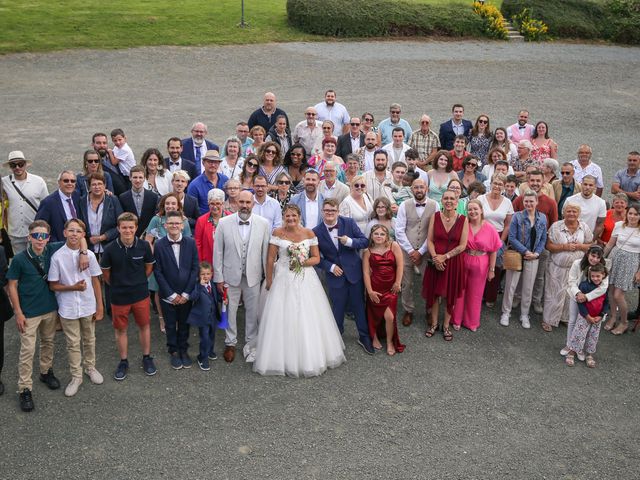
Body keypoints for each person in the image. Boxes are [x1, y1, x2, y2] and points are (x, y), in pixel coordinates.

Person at [254, 204, 346, 377]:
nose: (291, 219)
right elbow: (270, 258)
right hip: (282, 276)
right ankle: (279, 356)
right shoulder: (277, 233)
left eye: (294, 216)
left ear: (299, 216)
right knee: (281, 314)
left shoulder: (309, 233)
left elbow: (317, 258)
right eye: (287, 216)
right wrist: (269, 279)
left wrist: (301, 262)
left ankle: (309, 355)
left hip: (305, 276)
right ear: (283, 217)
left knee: (307, 313)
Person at [7, 221, 64, 411]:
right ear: (29, 237)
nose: (40, 240)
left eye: (44, 236)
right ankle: (24, 388)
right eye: (36, 236)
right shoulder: (19, 260)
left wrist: (82, 252)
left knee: (48, 342)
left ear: (49, 238)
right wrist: (18, 312)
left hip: (49, 308)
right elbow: (12, 286)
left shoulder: (52, 250)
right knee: (27, 350)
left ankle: (46, 371)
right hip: (29, 312)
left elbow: (78, 237)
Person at [48, 219, 104, 397]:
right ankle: (76, 376)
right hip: (68, 307)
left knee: (89, 338)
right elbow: (53, 285)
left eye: (78, 231)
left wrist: (100, 305)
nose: (74, 234)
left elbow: (95, 280)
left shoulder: (90, 255)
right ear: (64, 233)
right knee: (72, 343)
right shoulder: (57, 257)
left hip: (88, 304)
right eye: (70, 230)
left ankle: (90, 367)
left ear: (82, 235)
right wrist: (73, 287)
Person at [213, 191, 271, 363]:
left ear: (253, 203)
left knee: (253, 311)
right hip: (230, 276)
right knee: (230, 310)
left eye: (248, 202)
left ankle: (250, 343)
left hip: (253, 275)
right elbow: (218, 251)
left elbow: (266, 252)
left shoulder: (263, 223)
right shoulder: (223, 223)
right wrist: (219, 277)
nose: (245, 205)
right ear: (236, 202)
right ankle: (230, 342)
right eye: (242, 202)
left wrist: (267, 277)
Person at [313, 199, 375, 354]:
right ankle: (336, 337)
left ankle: (364, 336)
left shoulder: (349, 222)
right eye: (327, 211)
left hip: (354, 272)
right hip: (335, 275)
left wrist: (350, 242)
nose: (329, 213)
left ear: (338, 212)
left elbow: (365, 242)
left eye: (333, 211)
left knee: (359, 306)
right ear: (322, 212)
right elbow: (315, 256)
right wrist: (330, 267)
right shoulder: (316, 231)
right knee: (337, 308)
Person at [101, 212, 157, 380]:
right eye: (124, 227)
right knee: (121, 330)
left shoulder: (144, 246)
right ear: (118, 228)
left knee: (144, 326)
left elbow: (148, 268)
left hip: (140, 294)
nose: (127, 230)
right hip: (119, 296)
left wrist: (137, 281)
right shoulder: (110, 249)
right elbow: (106, 275)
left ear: (136, 228)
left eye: (131, 227)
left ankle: (146, 357)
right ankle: (123, 361)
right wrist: (120, 284)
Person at [153, 210, 199, 370]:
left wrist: (186, 293)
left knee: (185, 323)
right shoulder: (158, 245)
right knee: (170, 324)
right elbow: (157, 271)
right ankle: (173, 350)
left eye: (177, 223)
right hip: (168, 295)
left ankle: (183, 349)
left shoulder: (190, 243)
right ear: (165, 226)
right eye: (171, 223)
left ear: (182, 225)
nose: (174, 226)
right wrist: (171, 294)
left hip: (185, 294)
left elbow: (194, 268)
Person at [422, 190, 469, 341]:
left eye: (452, 199)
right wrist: (436, 258)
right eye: (446, 198)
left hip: (453, 262)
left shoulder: (463, 219)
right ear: (441, 201)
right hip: (435, 261)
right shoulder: (435, 217)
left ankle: (446, 325)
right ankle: (434, 324)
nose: (449, 201)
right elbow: (429, 240)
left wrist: (445, 256)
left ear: (457, 202)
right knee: (435, 294)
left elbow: (463, 245)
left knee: (450, 294)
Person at [542, 203, 593, 332]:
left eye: (574, 212)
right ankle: (548, 319)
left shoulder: (584, 227)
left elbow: (590, 245)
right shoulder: (556, 226)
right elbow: (548, 246)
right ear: (564, 212)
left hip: (576, 270)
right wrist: (564, 247)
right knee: (553, 293)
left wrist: (580, 246)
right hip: (557, 268)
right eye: (568, 211)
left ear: (578, 214)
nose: (571, 214)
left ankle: (564, 318)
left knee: (570, 294)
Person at [451, 200, 501, 332]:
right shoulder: (463, 225)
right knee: (460, 291)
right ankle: (456, 319)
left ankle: (471, 322)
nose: (472, 212)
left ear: (481, 210)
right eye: (470, 209)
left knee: (475, 294)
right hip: (463, 259)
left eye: (475, 209)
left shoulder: (490, 228)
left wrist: (492, 269)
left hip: (481, 262)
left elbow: (494, 250)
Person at [500, 191, 547, 329]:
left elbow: (543, 237)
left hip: (534, 257)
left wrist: (536, 253)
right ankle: (506, 312)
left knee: (528, 287)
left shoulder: (542, 218)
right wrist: (526, 251)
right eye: (526, 201)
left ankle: (525, 314)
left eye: (531, 201)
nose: (528, 204)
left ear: (536, 202)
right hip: (517, 254)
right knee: (511, 286)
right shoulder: (517, 217)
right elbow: (512, 238)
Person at [145, 193, 191, 331]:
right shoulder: (156, 220)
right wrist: (153, 257)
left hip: (177, 260)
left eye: (173, 203)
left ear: (178, 206)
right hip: (159, 261)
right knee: (160, 290)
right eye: (167, 203)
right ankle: (161, 318)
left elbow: (188, 240)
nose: (170, 206)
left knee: (176, 288)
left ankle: (176, 317)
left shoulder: (183, 221)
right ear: (163, 205)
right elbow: (148, 241)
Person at [395, 179, 438, 326]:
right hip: (407, 250)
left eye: (421, 187)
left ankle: (429, 310)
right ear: (411, 189)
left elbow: (434, 230)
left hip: (426, 250)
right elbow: (399, 230)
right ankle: (408, 310)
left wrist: (421, 251)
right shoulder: (404, 205)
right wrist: (411, 250)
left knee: (428, 283)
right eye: (416, 187)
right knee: (406, 283)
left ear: (426, 188)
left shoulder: (435, 205)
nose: (419, 190)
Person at [363, 225, 405, 355]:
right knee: (374, 314)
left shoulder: (394, 246)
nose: (379, 236)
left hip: (391, 287)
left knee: (390, 316)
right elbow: (365, 273)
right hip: (375, 287)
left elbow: (400, 265)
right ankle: (374, 336)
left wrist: (398, 282)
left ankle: (390, 342)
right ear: (371, 236)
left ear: (387, 236)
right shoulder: (368, 251)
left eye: (382, 234)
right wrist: (369, 291)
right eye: (376, 234)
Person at [562, 246, 608, 362]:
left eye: (598, 257)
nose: (595, 259)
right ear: (588, 254)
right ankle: (569, 345)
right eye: (593, 255)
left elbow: (603, 288)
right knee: (572, 320)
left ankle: (580, 349)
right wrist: (578, 294)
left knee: (585, 324)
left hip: (592, 299)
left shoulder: (602, 268)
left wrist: (586, 297)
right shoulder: (577, 263)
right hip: (576, 295)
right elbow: (571, 281)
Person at [2, 150, 49, 254]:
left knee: (35, 260)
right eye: (13, 165)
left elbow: (46, 205)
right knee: (19, 262)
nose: (17, 167)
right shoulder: (4, 182)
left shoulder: (38, 181)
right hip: (15, 232)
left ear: (25, 165)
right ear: (10, 167)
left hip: (35, 232)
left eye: (20, 164)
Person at [477, 173, 514, 306]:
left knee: (495, 268)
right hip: (481, 236)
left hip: (498, 237)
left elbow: (508, 224)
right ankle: (478, 294)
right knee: (480, 267)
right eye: (495, 183)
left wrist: (501, 242)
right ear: (490, 183)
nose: (497, 186)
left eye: (500, 184)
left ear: (504, 187)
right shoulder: (481, 199)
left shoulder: (508, 202)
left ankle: (490, 297)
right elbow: (475, 218)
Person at [603, 205, 640, 335]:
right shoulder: (619, 225)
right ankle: (613, 317)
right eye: (630, 213)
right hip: (615, 258)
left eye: (636, 214)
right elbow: (610, 244)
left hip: (631, 263)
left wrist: (639, 272)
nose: (633, 216)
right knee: (611, 292)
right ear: (627, 213)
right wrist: (601, 259)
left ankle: (624, 322)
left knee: (618, 295)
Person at [78, 172, 123, 256]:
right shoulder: (82, 202)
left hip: (109, 246)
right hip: (87, 247)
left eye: (100, 184)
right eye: (94, 184)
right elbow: (79, 224)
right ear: (89, 187)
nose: (97, 187)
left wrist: (103, 237)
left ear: (105, 185)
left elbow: (121, 225)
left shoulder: (113, 200)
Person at [186, 261, 221, 371]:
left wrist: (223, 299)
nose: (205, 276)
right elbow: (193, 297)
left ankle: (210, 351)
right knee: (204, 338)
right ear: (198, 275)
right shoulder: (197, 286)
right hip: (202, 318)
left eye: (208, 274)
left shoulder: (213, 285)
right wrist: (200, 286)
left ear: (211, 274)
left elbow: (216, 297)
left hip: (213, 316)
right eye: (203, 274)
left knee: (212, 335)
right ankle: (202, 357)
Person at [35, 170, 81, 242]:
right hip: (58, 247)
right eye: (66, 181)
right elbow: (39, 227)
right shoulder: (48, 202)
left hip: (77, 244)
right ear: (59, 182)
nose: (70, 183)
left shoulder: (77, 196)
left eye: (72, 181)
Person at [119, 166, 159, 238]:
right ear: (130, 178)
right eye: (135, 177)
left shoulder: (153, 197)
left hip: (148, 236)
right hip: (129, 236)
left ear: (144, 179)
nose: (137, 180)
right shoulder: (122, 197)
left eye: (140, 177)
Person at [565, 175, 606, 242]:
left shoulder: (601, 203)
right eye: (585, 184)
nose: (587, 187)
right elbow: (564, 219)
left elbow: (600, 225)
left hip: (587, 239)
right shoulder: (570, 200)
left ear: (595, 187)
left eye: (590, 185)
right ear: (581, 184)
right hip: (568, 238)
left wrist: (590, 241)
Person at [187, 150, 229, 215]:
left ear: (219, 164)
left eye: (216, 162)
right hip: (203, 222)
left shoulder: (225, 180)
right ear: (203, 163)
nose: (213, 165)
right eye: (210, 162)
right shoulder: (194, 185)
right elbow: (191, 209)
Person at [194, 188, 227, 264]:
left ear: (223, 204)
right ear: (208, 204)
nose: (215, 207)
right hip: (208, 262)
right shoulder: (201, 220)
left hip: (227, 262)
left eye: (218, 203)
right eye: (212, 204)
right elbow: (198, 244)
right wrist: (201, 264)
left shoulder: (230, 217)